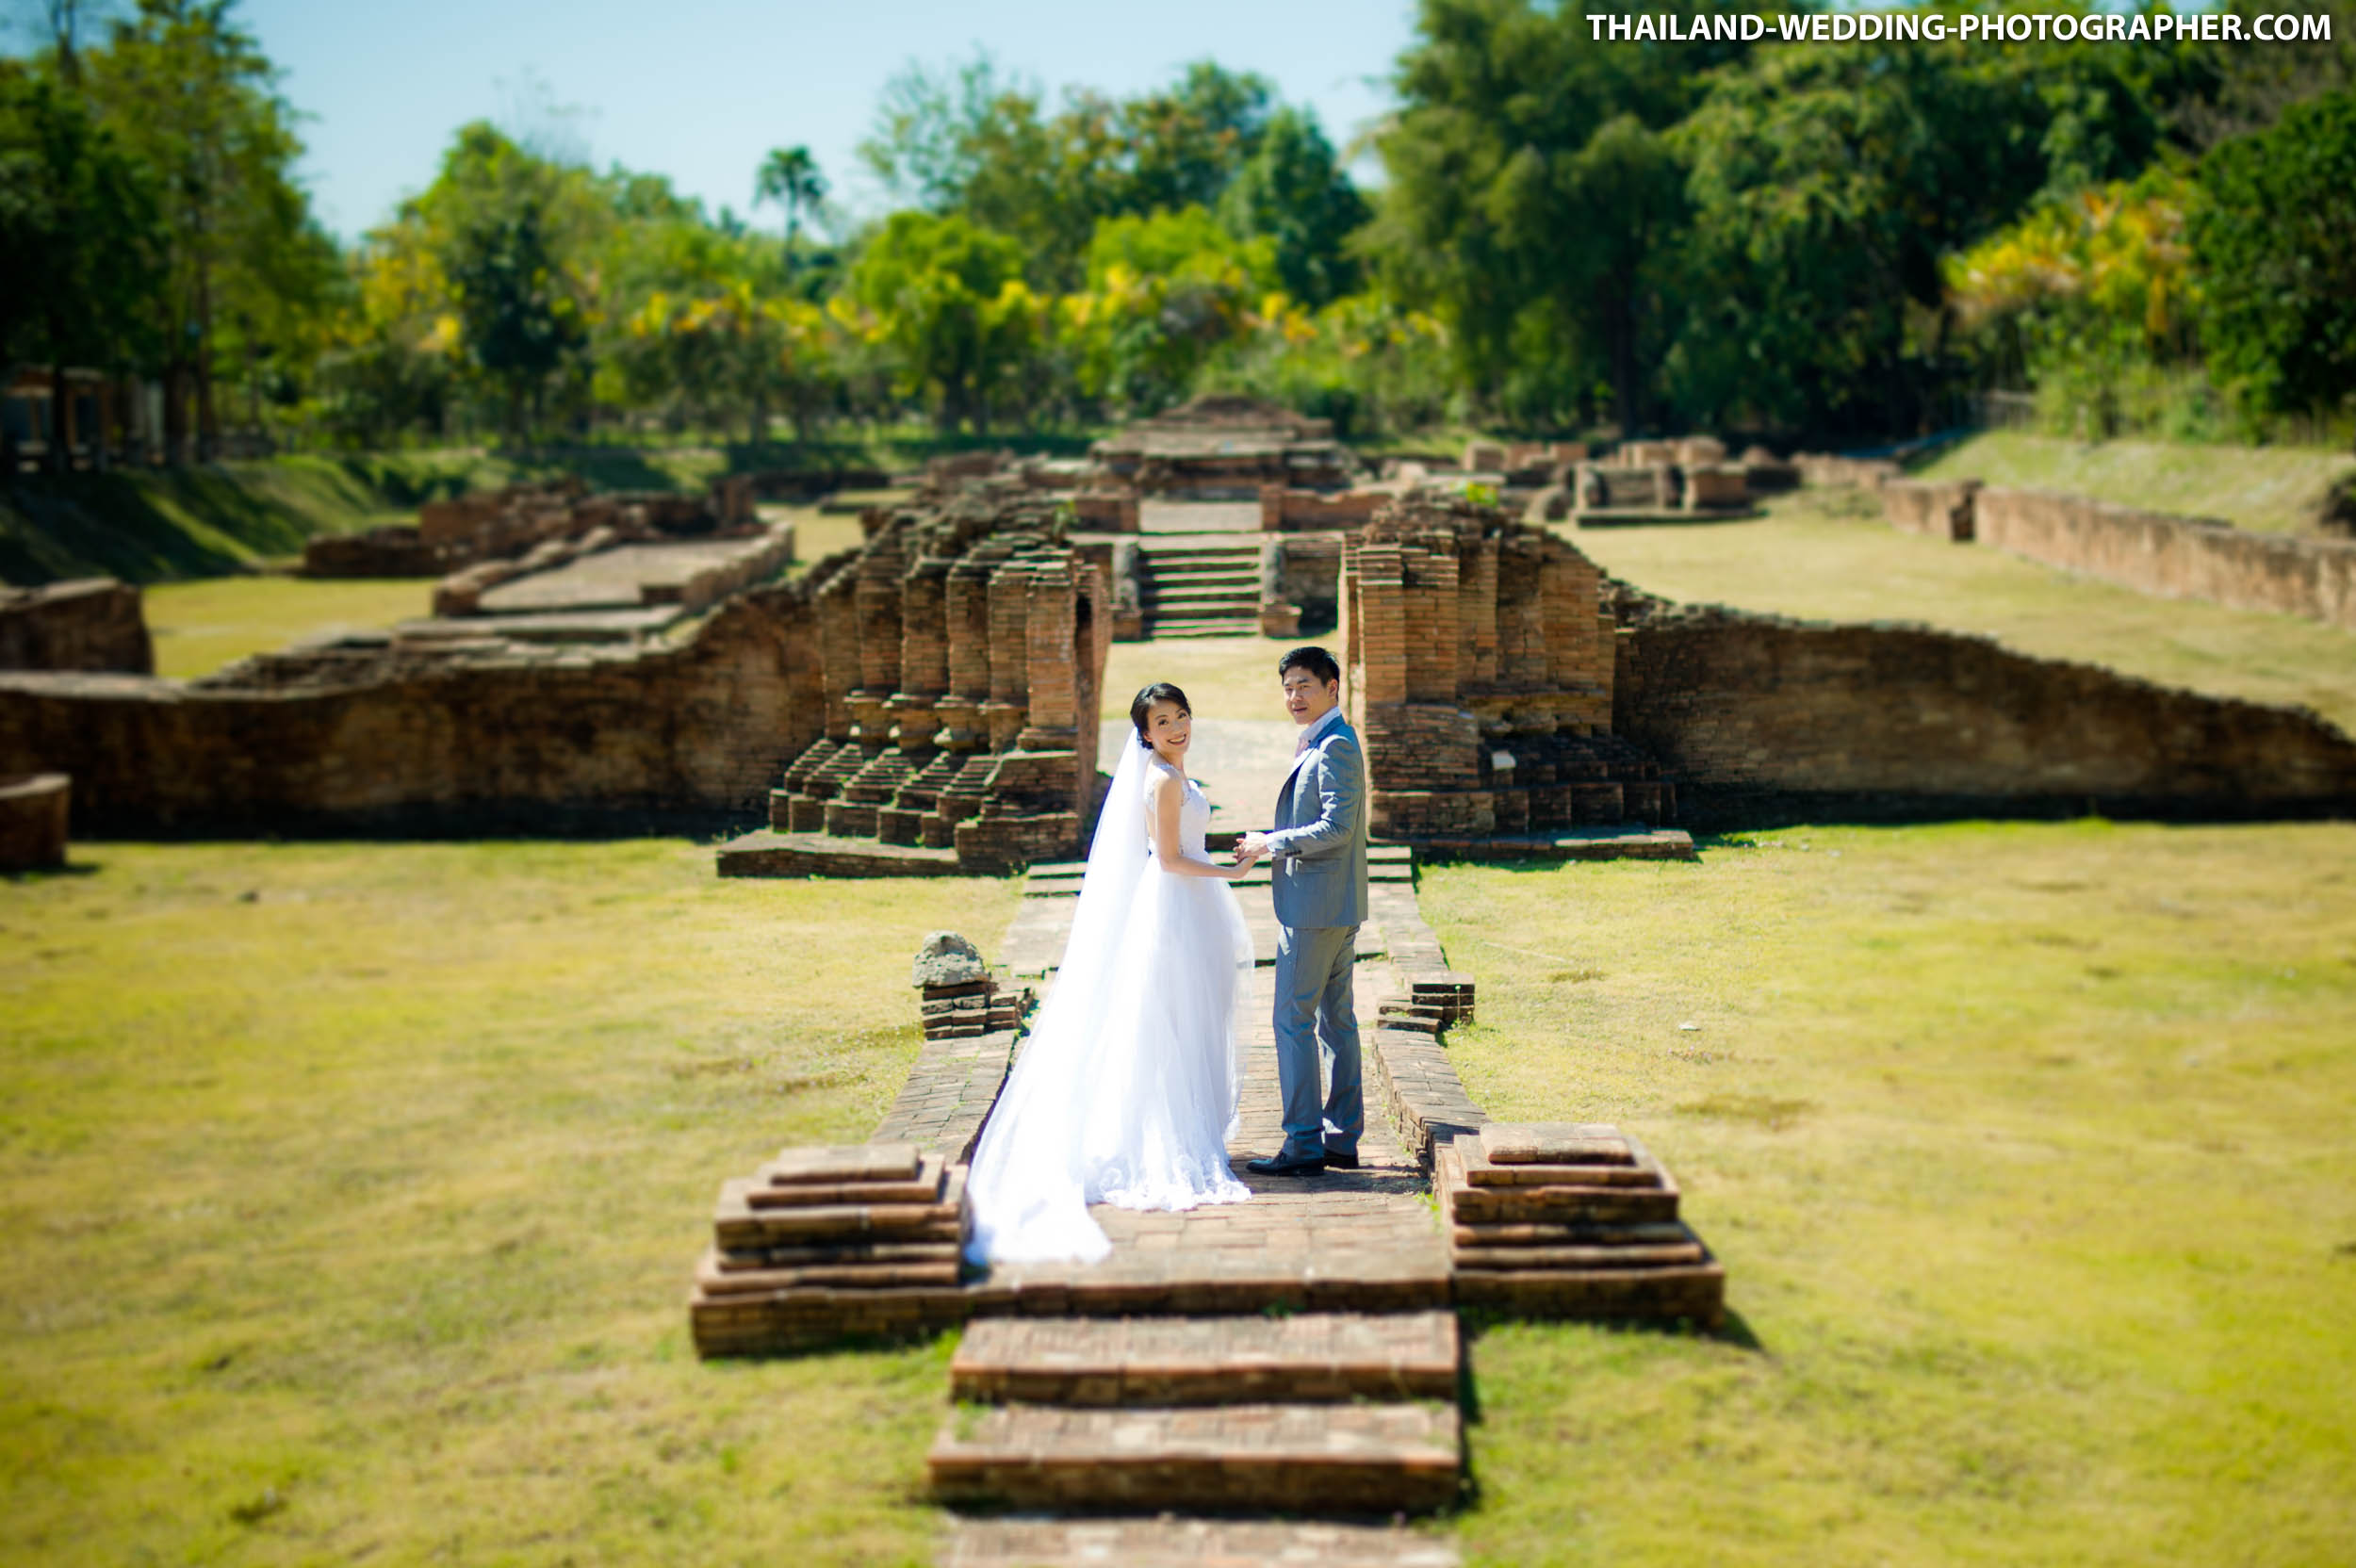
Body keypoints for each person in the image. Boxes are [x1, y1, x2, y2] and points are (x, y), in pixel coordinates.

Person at [963, 681, 1263, 1265]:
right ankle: (1170, 1137)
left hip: (1191, 905)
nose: (1177, 727)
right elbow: (1172, 858)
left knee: (1196, 1013)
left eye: (1182, 715)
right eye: (1163, 721)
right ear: (1144, 733)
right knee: (1171, 1018)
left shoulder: (1175, 774)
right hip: (1176, 904)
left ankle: (1195, 1127)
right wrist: (1234, 873)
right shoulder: (1160, 778)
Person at [1236, 645, 1368, 1177]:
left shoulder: (1335, 744)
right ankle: (1339, 1138)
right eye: (1288, 686)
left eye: (1305, 686)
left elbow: (1337, 828)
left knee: (1292, 1021)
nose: (1294, 696)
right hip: (1335, 904)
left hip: (1315, 909)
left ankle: (1302, 1144)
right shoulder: (1325, 739)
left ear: (1332, 688)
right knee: (1335, 1021)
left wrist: (1272, 842)